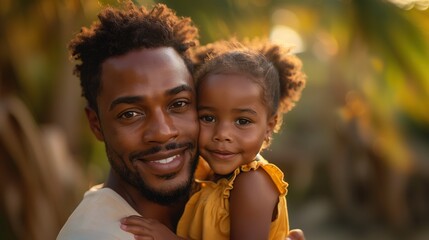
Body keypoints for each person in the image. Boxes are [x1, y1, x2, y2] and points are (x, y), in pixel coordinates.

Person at [57, 1, 305, 239]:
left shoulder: (222, 180)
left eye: (178, 104)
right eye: (130, 114)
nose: (163, 132)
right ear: (96, 124)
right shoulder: (94, 234)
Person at [120, 39, 306, 240]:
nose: (222, 134)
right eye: (208, 118)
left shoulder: (252, 182)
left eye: (242, 121)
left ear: (269, 126)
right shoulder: (208, 176)